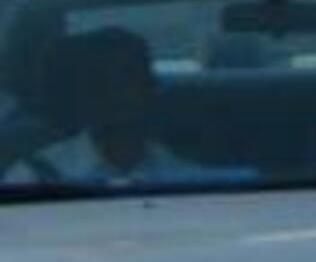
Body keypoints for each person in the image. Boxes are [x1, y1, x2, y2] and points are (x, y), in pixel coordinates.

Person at [1, 28, 219, 187]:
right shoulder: (32, 179)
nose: (121, 95)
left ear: (150, 90)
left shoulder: (191, 178)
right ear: (83, 96)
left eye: (132, 79)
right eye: (103, 83)